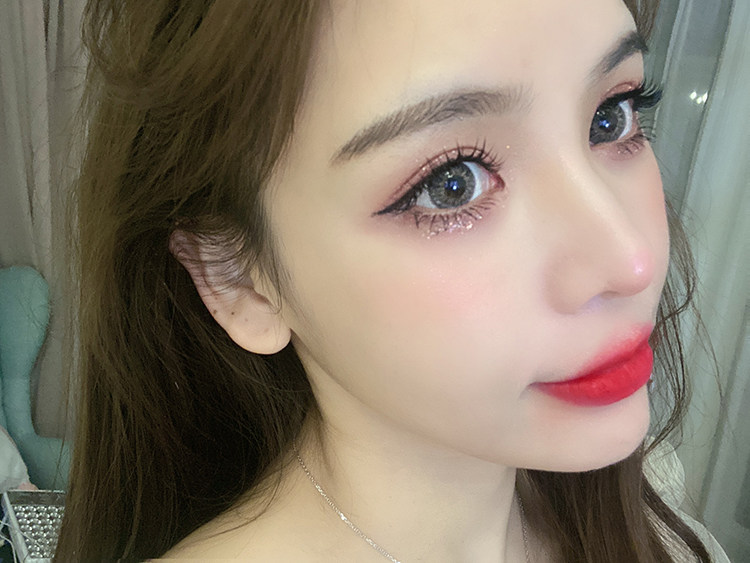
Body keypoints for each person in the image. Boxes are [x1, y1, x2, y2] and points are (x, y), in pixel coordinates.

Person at [55, 0, 730, 561]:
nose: (630, 260)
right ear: (239, 281)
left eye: (611, 117)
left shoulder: (655, 529)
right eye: (451, 184)